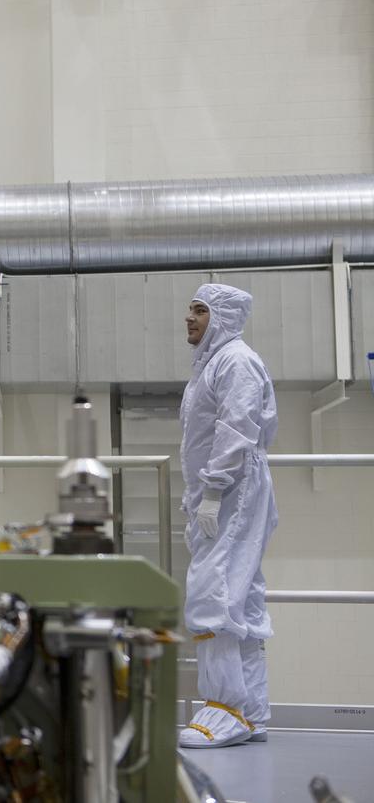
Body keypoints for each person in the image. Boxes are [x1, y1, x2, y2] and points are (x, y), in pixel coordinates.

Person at [178, 283, 278, 749]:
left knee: (211, 592)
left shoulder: (235, 361)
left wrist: (214, 492)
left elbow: (236, 429)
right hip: (225, 488)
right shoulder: (212, 364)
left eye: (200, 310)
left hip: (234, 488)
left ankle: (224, 708)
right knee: (243, 595)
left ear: (223, 317)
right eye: (190, 310)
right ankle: (252, 709)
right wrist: (199, 494)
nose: (189, 318)